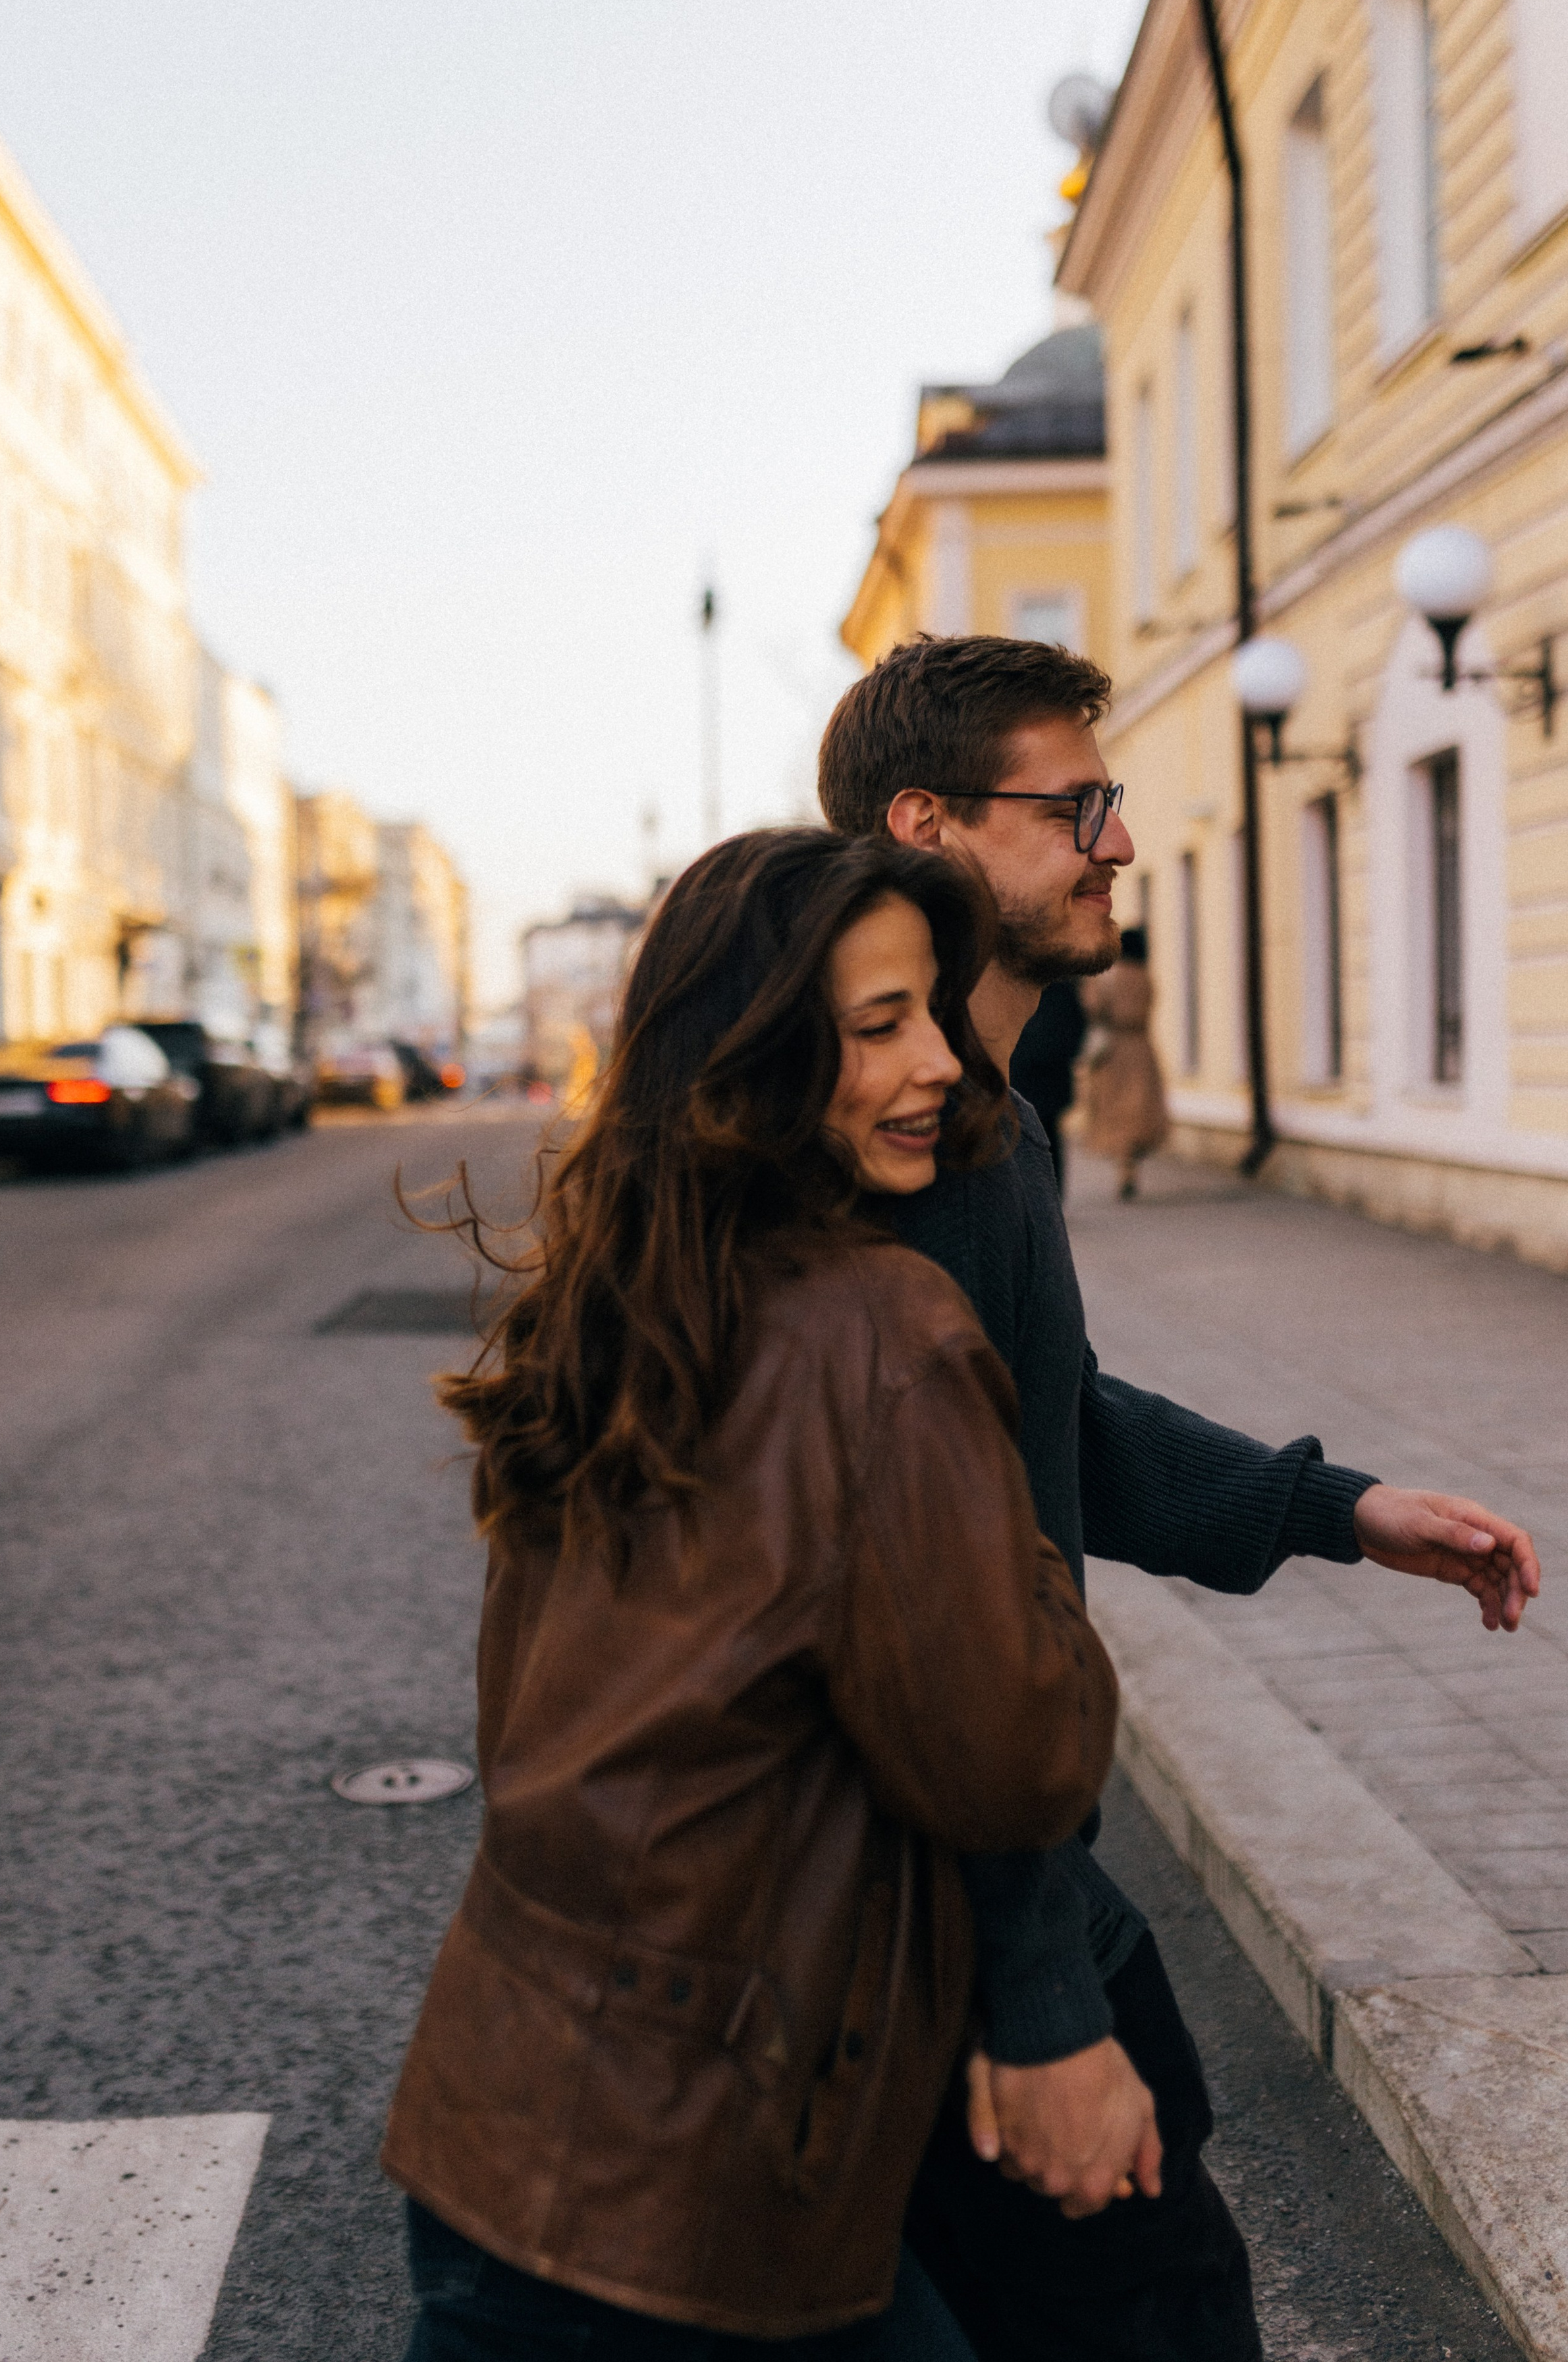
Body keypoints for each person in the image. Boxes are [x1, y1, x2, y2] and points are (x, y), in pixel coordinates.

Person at [817, 631, 1542, 2362]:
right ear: (926, 824)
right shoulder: (893, 1155)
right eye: (1078, 807)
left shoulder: (984, 1126)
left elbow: (1049, 1418)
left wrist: (1338, 1508)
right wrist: (1041, 2001)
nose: (1118, 844)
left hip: (963, 1891)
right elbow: (928, 1627)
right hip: (911, 1906)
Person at [382, 827, 1122, 2359]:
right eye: (876, 1028)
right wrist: (1022, 1549)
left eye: (930, 1009)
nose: (939, 1063)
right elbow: (1014, 1749)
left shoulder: (621, 1293)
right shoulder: (875, 1330)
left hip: (506, 2121)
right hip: (690, 2192)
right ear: (757, 1059)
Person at [1081, 926, 1168, 1200]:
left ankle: (1125, 1166)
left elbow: (1093, 1008)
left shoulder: (1108, 978)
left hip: (1114, 1050)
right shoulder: (1145, 977)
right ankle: (1130, 1164)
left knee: (1116, 1109)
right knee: (1138, 1108)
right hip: (1140, 1047)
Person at [1007, 977, 1087, 1194]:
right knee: (1042, 1134)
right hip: (1041, 1074)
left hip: (1042, 1073)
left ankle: (1048, 1194)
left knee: (1043, 1134)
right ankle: (1046, 1194)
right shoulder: (1059, 987)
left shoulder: (1053, 988)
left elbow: (1074, 1030)